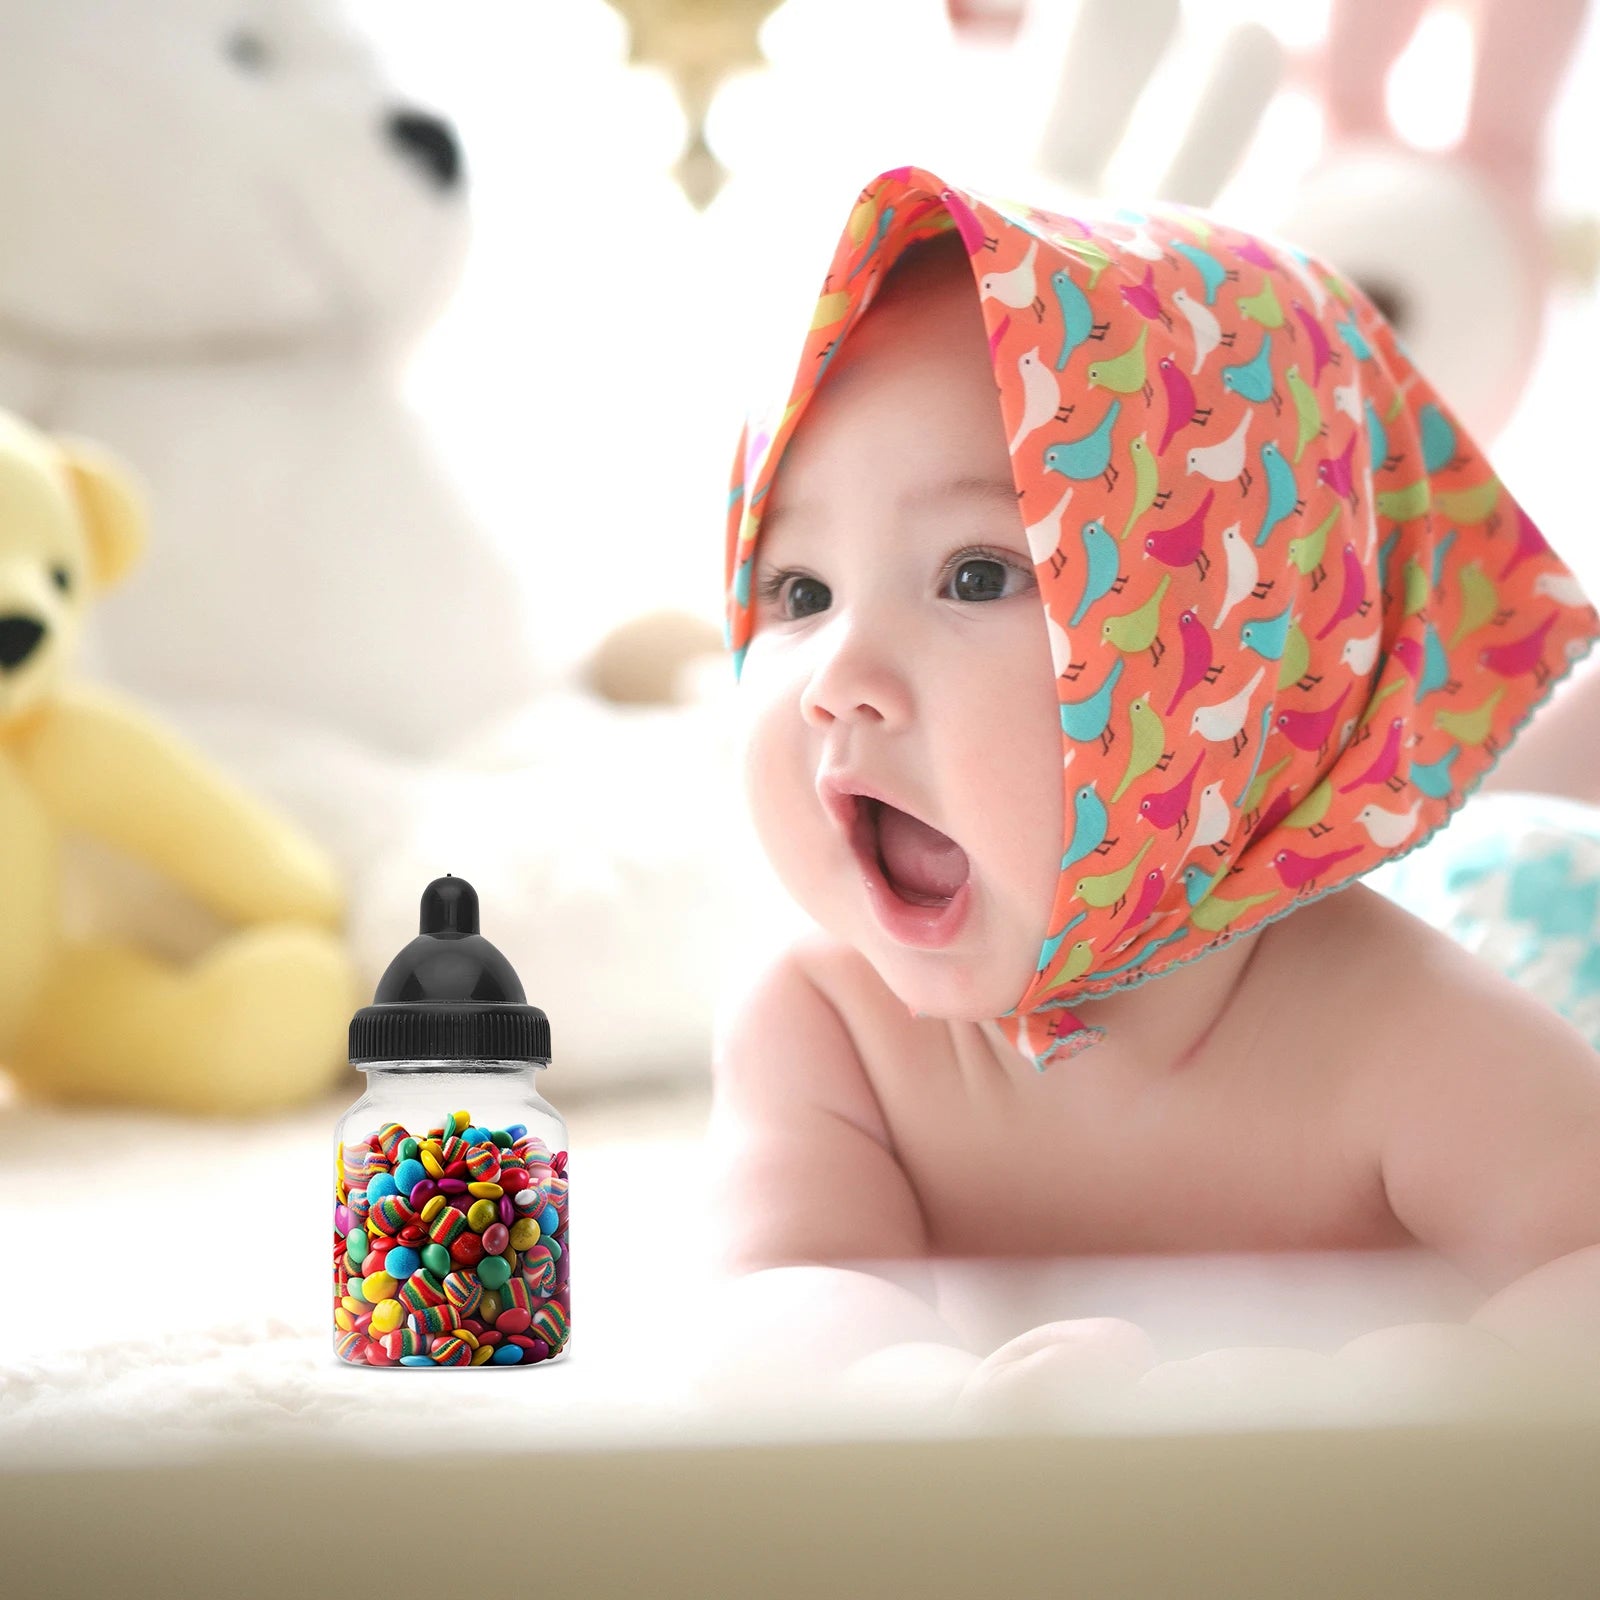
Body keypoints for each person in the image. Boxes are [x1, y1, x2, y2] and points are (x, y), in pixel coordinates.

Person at [699, 166, 1600, 1405]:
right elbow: (775, 1286)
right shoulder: (826, 1028)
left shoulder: (1394, 1032)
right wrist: (915, 1393)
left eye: (972, 575)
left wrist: (1399, 1385)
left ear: (1225, 655)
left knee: (1544, 844)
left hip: (1539, 923)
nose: (836, 677)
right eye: (799, 592)